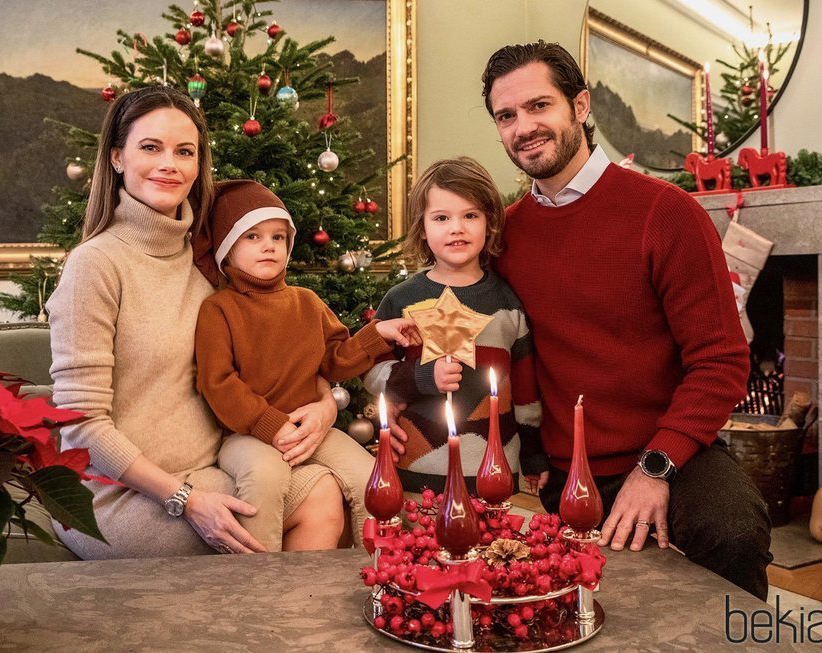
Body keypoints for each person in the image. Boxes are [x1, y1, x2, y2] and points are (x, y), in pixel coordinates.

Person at [474, 41, 772, 600]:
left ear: (581, 106)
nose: (523, 127)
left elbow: (722, 361)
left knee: (732, 531)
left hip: (672, 454)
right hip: (565, 468)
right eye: (506, 116)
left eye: (540, 106)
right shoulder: (502, 235)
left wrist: (654, 470)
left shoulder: (667, 214)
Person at [48, 85, 344, 559]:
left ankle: (274, 632)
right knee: (259, 525)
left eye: (184, 151)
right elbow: (80, 424)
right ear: (117, 157)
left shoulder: (210, 257)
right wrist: (184, 499)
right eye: (151, 147)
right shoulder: (96, 265)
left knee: (323, 492)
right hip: (120, 491)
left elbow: (280, 351)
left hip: (210, 467)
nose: (170, 163)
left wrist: (326, 403)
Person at [191, 180, 420, 551]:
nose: (268, 245)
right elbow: (218, 383)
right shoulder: (218, 310)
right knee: (264, 477)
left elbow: (335, 359)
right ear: (226, 250)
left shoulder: (307, 302)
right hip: (245, 435)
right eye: (252, 237)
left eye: (278, 237)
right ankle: (253, 582)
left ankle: (373, 576)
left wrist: (380, 332)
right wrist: (271, 425)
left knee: (370, 476)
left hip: (309, 427)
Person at [364, 157, 547, 495]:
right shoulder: (401, 299)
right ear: (422, 227)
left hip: (493, 473)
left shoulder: (508, 304)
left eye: (470, 216)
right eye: (442, 218)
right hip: (416, 474)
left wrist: (534, 455)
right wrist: (421, 378)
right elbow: (372, 371)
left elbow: (525, 392)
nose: (456, 228)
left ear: (490, 223)